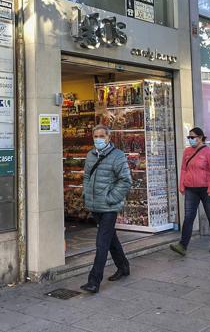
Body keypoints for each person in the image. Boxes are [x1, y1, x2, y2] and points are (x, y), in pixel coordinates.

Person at [80, 125, 132, 294]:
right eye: (96, 136)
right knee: (110, 239)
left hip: (109, 206)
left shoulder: (117, 156)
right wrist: (86, 194)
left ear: (109, 137)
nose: (99, 138)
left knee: (102, 243)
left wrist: (111, 198)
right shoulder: (90, 155)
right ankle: (123, 266)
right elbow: (87, 176)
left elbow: (125, 180)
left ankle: (94, 281)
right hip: (95, 206)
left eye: (102, 135)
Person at [170, 127, 210, 256]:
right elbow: (183, 169)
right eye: (189, 137)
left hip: (206, 189)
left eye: (192, 137)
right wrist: (182, 185)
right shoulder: (187, 151)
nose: (190, 140)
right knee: (188, 217)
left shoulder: (209, 152)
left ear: (201, 137)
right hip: (191, 188)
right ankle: (182, 245)